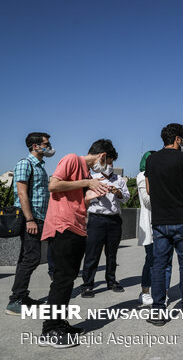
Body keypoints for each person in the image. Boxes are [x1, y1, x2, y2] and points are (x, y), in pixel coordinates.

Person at [39, 139, 115, 348]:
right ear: (102, 156)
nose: (107, 167)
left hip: (77, 227)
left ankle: (59, 324)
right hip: (63, 227)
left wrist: (93, 192)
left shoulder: (87, 173)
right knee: (62, 280)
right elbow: (53, 185)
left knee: (69, 279)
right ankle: (50, 330)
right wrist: (87, 183)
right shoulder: (72, 159)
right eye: (108, 161)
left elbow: (77, 199)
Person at [145, 123, 183, 325]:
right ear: (177, 139)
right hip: (182, 219)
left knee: (159, 265)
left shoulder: (151, 159)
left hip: (159, 220)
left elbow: (149, 190)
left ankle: (158, 310)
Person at [5, 132, 53, 316]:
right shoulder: (25, 163)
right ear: (35, 146)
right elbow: (22, 193)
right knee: (31, 258)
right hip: (30, 218)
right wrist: (30, 219)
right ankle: (15, 301)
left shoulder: (40, 166)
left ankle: (22, 296)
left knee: (26, 257)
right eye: (46, 144)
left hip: (39, 217)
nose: (49, 147)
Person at [80, 148, 129, 298]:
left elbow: (126, 197)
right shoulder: (92, 178)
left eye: (112, 162)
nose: (110, 165)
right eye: (108, 161)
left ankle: (111, 280)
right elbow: (84, 197)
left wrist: (118, 193)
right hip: (96, 218)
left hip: (114, 219)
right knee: (92, 253)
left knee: (112, 253)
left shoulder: (119, 179)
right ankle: (88, 285)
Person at [136, 151, 173, 305]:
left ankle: (163, 293)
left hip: (167, 222)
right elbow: (147, 200)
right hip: (150, 224)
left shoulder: (163, 174)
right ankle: (145, 291)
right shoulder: (141, 176)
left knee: (168, 262)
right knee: (151, 260)